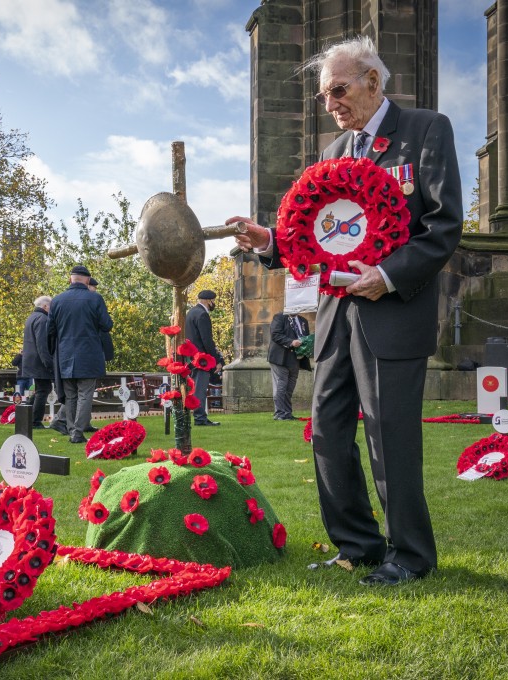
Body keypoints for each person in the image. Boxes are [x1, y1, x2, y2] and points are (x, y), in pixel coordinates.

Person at [229, 36, 462, 586]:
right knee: (328, 433)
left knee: (389, 435)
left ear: (373, 82)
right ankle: (357, 545)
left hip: (392, 313)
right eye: (322, 96)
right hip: (335, 318)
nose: (330, 103)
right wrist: (270, 241)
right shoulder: (332, 154)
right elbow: (315, 239)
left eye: (337, 89)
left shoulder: (426, 130)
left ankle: (409, 555)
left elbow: (443, 226)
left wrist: (386, 276)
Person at [48, 265, 112, 444]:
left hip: (65, 354)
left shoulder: (57, 300)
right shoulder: (95, 298)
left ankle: (72, 431)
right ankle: (77, 432)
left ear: (71, 279)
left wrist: (55, 353)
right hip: (89, 354)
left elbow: (50, 331)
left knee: (71, 395)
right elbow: (106, 325)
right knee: (85, 394)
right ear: (87, 280)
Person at [184, 289, 224, 426]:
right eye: (213, 301)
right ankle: (200, 418)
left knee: (196, 388)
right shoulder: (202, 315)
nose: (214, 304)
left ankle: (200, 416)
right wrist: (217, 360)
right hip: (201, 359)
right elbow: (207, 340)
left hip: (191, 357)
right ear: (208, 301)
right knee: (200, 389)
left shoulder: (191, 313)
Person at [268, 311, 312, 420]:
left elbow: (305, 338)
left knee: (289, 388)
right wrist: (291, 342)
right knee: (281, 385)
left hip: (296, 359)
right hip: (280, 358)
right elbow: (275, 334)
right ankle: (279, 413)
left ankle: (287, 413)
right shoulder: (279, 317)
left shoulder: (303, 321)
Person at [21, 295, 53, 429]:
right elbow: (42, 344)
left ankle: (25, 413)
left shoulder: (31, 318)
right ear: (45, 306)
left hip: (31, 360)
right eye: (50, 306)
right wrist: (49, 363)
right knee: (44, 389)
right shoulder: (43, 319)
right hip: (39, 361)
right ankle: (35, 420)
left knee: (41, 389)